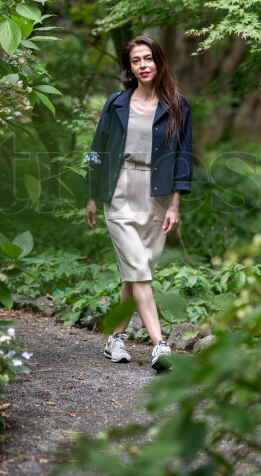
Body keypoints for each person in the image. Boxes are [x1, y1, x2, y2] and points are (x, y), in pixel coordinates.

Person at [82, 35, 192, 372]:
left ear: (158, 61)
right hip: (118, 190)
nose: (142, 66)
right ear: (129, 67)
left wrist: (175, 204)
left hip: (157, 194)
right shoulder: (116, 103)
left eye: (148, 59)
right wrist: (91, 194)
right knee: (140, 270)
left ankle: (115, 338)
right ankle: (160, 346)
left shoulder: (177, 104)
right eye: (135, 61)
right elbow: (97, 146)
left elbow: (182, 156)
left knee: (136, 272)